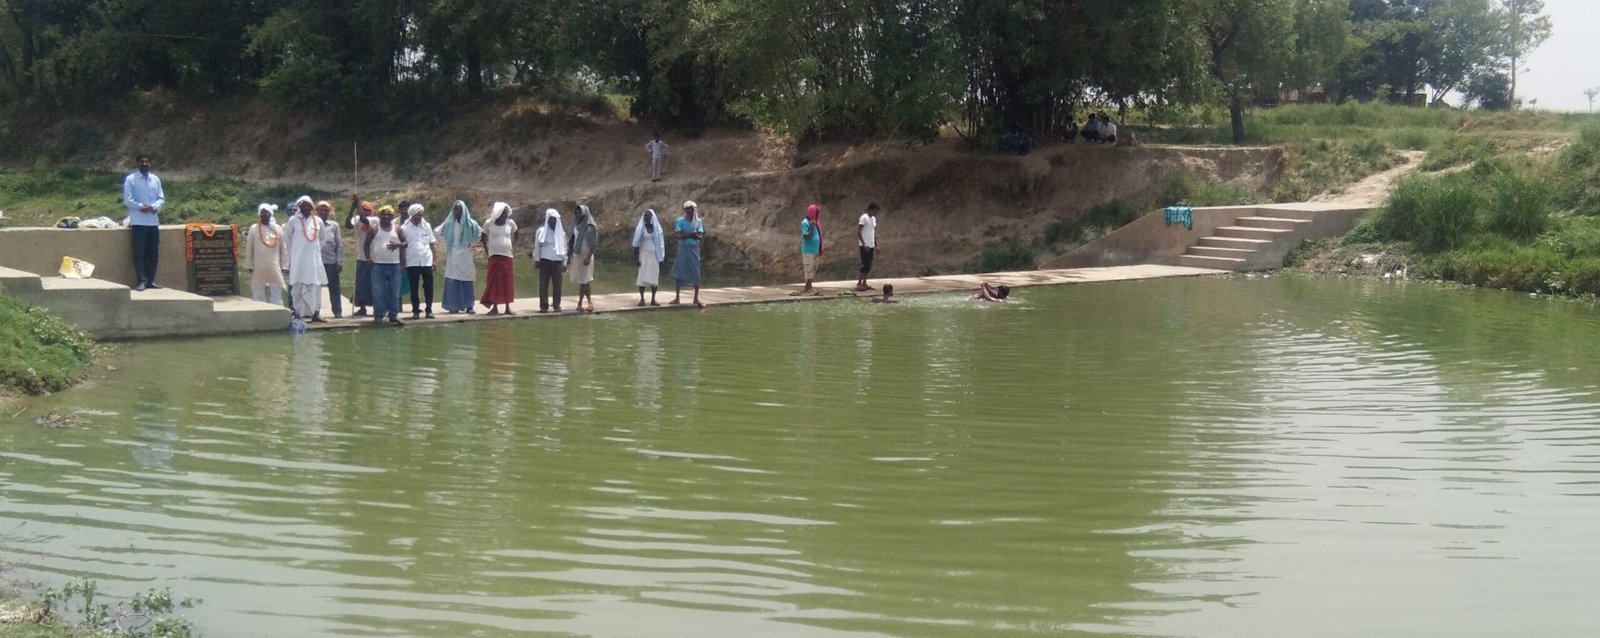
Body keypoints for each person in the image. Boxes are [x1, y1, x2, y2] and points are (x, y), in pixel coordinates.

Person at [123, 154, 165, 291]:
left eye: (147, 162)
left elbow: (161, 198)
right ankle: (141, 280)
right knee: (139, 252)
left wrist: (153, 207)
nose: (145, 164)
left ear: (150, 164)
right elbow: (128, 200)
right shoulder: (131, 180)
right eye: (142, 162)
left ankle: (151, 281)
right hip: (138, 222)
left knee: (153, 253)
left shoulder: (155, 179)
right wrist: (142, 206)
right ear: (137, 164)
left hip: (153, 221)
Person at [283, 196, 328, 321]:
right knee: (298, 286)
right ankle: (298, 312)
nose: (306, 207)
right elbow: (287, 238)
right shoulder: (293, 220)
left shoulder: (318, 221)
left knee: (315, 285)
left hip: (314, 259)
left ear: (312, 207)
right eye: (303, 205)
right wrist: (296, 252)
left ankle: (315, 313)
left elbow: (323, 238)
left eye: (308, 205)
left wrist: (315, 250)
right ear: (299, 207)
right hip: (298, 259)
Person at [435, 200, 480, 314]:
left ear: (463, 210)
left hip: (466, 255)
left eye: (458, 208)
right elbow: (437, 232)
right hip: (453, 255)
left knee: (467, 280)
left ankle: (469, 306)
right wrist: (446, 243)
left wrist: (472, 243)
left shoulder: (471, 223)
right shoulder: (449, 223)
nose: (456, 211)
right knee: (452, 281)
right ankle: (452, 306)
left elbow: (480, 234)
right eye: (455, 208)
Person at [366, 205, 407, 326]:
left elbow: (405, 243)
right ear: (380, 216)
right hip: (378, 265)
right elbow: (366, 244)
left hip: (394, 265)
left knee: (394, 291)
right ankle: (378, 315)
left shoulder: (397, 228)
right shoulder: (374, 228)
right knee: (378, 291)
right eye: (384, 214)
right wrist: (368, 258)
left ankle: (393, 315)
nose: (386, 217)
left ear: (392, 216)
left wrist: (398, 246)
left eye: (389, 215)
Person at [479, 202, 518, 315]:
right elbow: (483, 236)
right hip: (494, 256)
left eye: (506, 213)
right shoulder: (489, 223)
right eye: (503, 213)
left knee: (507, 281)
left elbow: (517, 233)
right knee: (494, 281)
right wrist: (487, 249)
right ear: (498, 213)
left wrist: (514, 247)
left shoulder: (510, 223)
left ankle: (507, 307)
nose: (505, 216)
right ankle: (495, 307)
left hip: (507, 256)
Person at [245, 204, 287, 305]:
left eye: (267, 214)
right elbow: (249, 248)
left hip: (274, 266)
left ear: (270, 215)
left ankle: (277, 310)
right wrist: (249, 265)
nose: (264, 216)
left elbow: (283, 248)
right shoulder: (254, 228)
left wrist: (285, 265)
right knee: (258, 290)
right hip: (258, 266)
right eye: (262, 214)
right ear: (259, 215)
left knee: (276, 290)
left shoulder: (278, 229)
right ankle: (259, 310)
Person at [403, 203, 438, 319]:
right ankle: (416, 311)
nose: (419, 218)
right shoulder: (404, 228)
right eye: (417, 215)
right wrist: (402, 263)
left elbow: (432, 243)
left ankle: (429, 310)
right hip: (412, 261)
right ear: (411, 215)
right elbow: (402, 247)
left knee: (428, 286)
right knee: (414, 287)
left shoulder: (426, 226)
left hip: (426, 260)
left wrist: (434, 260)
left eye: (421, 215)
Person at [345, 198, 377, 317]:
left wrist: (358, 204)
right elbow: (348, 225)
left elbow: (365, 220)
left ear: (372, 211)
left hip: (374, 257)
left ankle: (377, 307)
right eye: (364, 210)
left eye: (368, 210)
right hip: (361, 257)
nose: (366, 212)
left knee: (374, 283)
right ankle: (362, 308)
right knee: (360, 284)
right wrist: (352, 209)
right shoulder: (358, 218)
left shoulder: (375, 220)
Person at [670, 200, 705, 307]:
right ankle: (677, 297)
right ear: (685, 210)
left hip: (694, 248)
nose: (690, 211)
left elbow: (700, 236)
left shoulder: (698, 221)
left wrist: (688, 234)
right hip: (683, 248)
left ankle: (696, 298)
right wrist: (692, 233)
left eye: (692, 209)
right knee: (680, 271)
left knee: (695, 271)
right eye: (688, 209)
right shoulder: (680, 221)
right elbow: (678, 235)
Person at [533, 208, 568, 313]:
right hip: (545, 261)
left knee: (557, 285)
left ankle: (557, 305)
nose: (553, 221)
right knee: (543, 284)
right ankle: (543, 306)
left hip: (557, 262)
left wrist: (565, 262)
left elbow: (564, 248)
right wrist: (537, 259)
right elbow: (537, 247)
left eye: (555, 219)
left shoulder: (561, 233)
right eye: (551, 219)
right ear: (548, 220)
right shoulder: (541, 231)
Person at [632, 208, 666, 306]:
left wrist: (661, 257)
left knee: (654, 278)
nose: (646, 217)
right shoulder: (641, 229)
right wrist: (636, 258)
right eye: (645, 216)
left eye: (648, 216)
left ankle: (653, 299)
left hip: (654, 256)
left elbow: (661, 244)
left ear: (652, 217)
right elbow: (636, 244)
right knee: (642, 278)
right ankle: (642, 299)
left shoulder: (657, 229)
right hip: (643, 256)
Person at [568, 204, 599, 313]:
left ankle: (580, 303)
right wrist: (568, 256)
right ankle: (590, 302)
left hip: (586, 256)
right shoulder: (576, 224)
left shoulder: (590, 226)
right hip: (578, 256)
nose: (577, 214)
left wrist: (588, 257)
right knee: (585, 280)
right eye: (576, 212)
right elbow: (572, 240)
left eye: (580, 212)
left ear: (585, 213)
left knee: (583, 281)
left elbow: (593, 244)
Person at [315, 201, 343, 319]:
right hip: (316, 262)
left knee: (334, 287)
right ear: (316, 211)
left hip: (331, 261)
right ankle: (315, 312)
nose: (323, 212)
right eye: (321, 209)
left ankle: (337, 312)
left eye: (325, 210)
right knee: (316, 288)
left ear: (329, 211)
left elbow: (339, 245)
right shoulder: (313, 223)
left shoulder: (334, 225)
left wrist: (339, 261)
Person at [791, 203, 823, 296]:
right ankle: (807, 287)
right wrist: (812, 228)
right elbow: (806, 237)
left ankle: (810, 286)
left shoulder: (816, 222)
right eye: (816, 212)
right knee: (808, 268)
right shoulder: (805, 222)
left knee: (814, 268)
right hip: (808, 249)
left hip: (815, 250)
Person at [856, 203, 879, 292]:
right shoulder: (864, 218)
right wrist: (863, 243)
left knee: (868, 264)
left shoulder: (873, 219)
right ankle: (860, 283)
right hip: (864, 245)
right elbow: (858, 231)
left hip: (871, 244)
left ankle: (864, 283)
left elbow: (873, 232)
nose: (876, 213)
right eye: (875, 211)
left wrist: (876, 244)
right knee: (865, 264)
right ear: (870, 209)